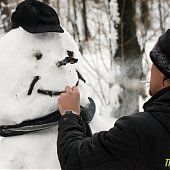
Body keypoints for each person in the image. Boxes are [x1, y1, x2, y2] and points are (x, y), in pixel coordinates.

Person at [57, 29, 170, 170]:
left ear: (166, 78)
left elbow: (74, 160)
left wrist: (70, 114)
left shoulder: (138, 132)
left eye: (154, 64)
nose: (150, 70)